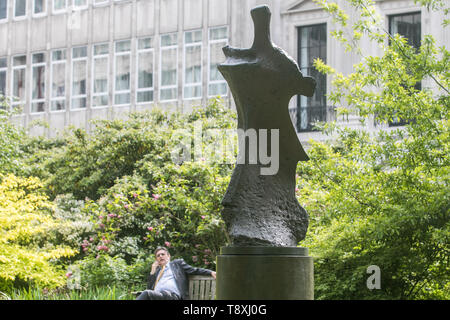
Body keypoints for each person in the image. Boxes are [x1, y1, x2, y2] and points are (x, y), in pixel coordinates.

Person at [136, 246, 216, 300]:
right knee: (145, 293)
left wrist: (210, 272)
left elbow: (194, 270)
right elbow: (150, 288)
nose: (160, 256)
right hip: (158, 296)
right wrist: (152, 271)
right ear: (156, 259)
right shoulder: (157, 271)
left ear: (169, 256)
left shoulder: (177, 264)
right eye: (158, 255)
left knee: (146, 293)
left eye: (162, 254)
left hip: (172, 296)